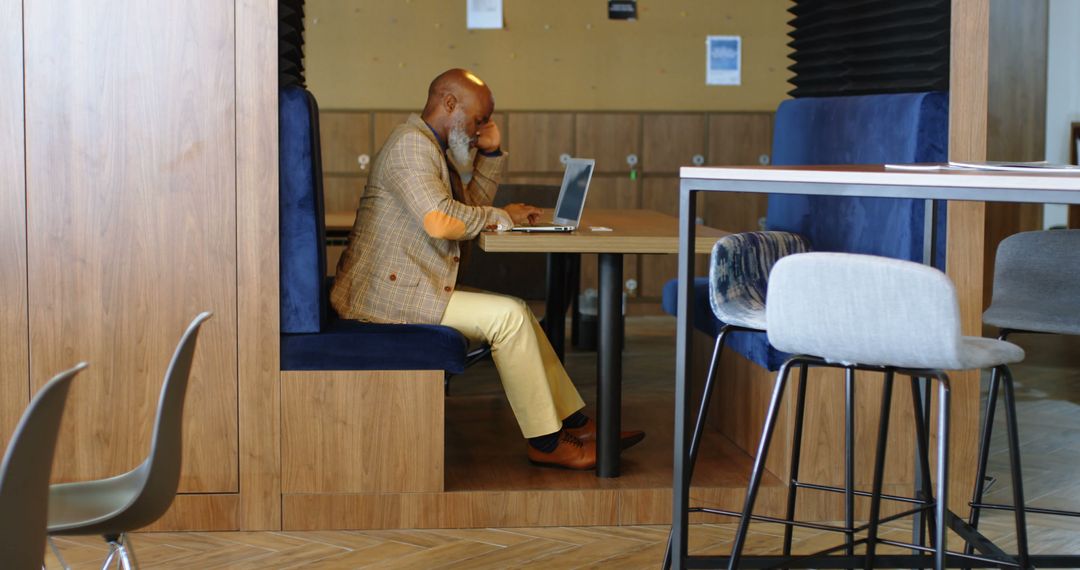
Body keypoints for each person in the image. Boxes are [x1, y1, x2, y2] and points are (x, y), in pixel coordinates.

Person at [331, 68, 644, 470]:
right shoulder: (411, 146)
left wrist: (491, 156)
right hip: (385, 298)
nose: (481, 129)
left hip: (413, 285)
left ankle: (574, 423)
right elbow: (441, 221)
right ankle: (547, 444)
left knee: (518, 311)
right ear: (448, 104)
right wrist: (498, 216)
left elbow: (467, 206)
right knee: (509, 317)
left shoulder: (430, 147)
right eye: (478, 119)